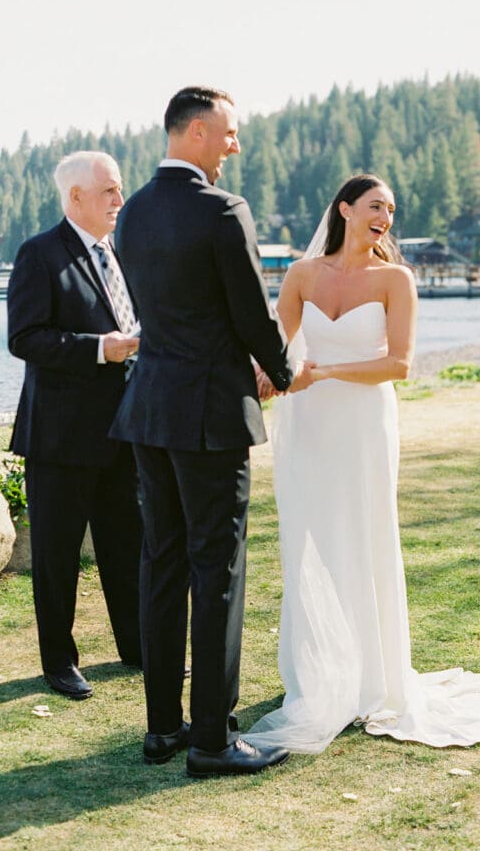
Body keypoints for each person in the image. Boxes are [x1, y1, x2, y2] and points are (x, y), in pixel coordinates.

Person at [248, 174, 480, 753]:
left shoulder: (396, 279)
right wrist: (265, 380)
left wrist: (324, 373)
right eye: (374, 205)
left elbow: (400, 365)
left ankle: (371, 679)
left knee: (363, 537)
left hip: (363, 424)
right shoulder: (302, 275)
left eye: (390, 208)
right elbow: (277, 350)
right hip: (308, 425)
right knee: (311, 536)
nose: (385, 215)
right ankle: (317, 672)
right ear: (345, 210)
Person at [108, 86, 313, 777]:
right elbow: (251, 312)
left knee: (161, 565)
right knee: (217, 569)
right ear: (194, 132)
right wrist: (283, 372)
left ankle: (163, 728)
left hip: (149, 410)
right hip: (208, 415)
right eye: (229, 133)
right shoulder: (222, 210)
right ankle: (214, 741)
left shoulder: (131, 212)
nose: (234, 146)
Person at [7, 151, 143, 700]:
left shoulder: (124, 252)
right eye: (109, 191)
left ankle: (138, 649)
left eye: (120, 189)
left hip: (124, 431)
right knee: (57, 558)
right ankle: (59, 663)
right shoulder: (39, 255)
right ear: (76, 198)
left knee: (128, 547)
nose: (119, 200)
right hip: (60, 438)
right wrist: (100, 350)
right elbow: (25, 338)